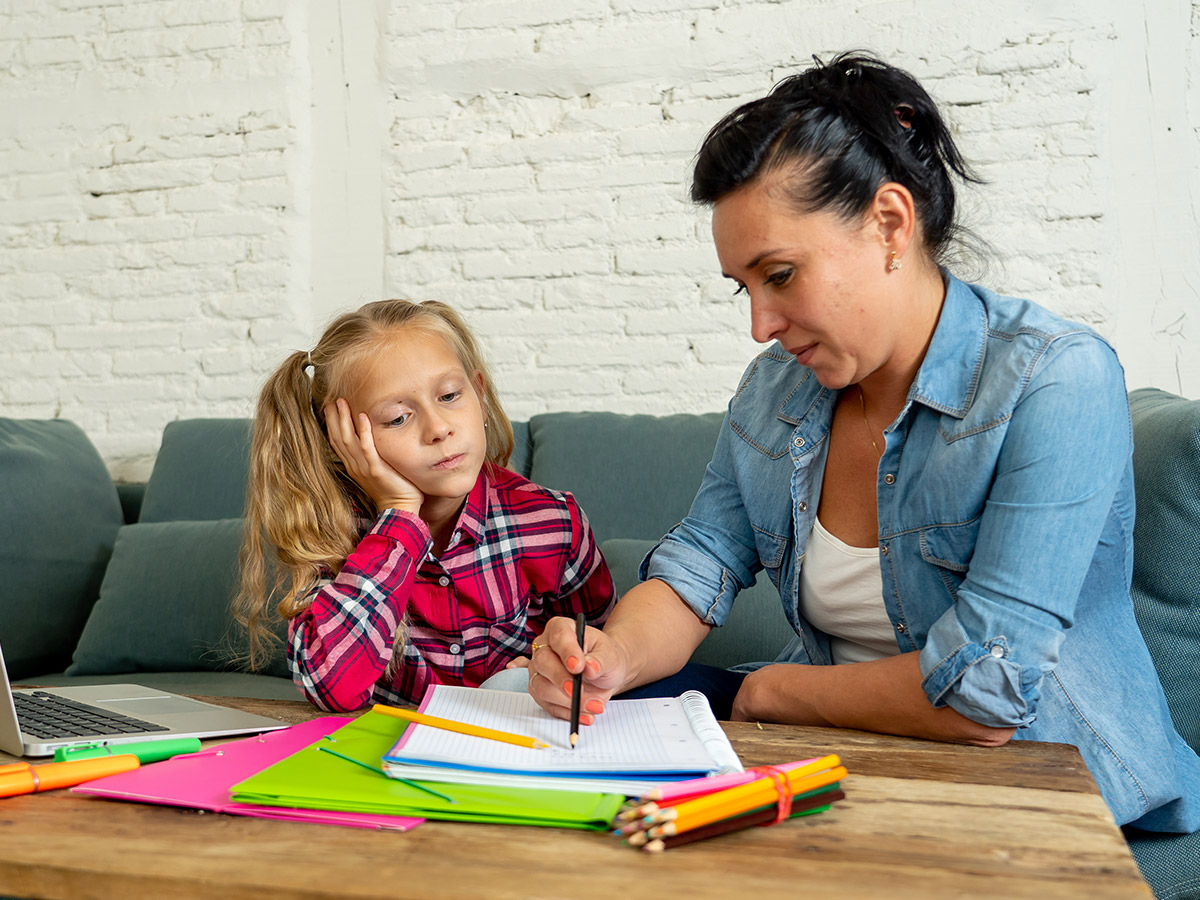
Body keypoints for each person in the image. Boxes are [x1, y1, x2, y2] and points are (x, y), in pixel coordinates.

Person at [526, 51, 1200, 832]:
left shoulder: (1054, 381)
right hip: (839, 765)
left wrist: (765, 693)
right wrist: (611, 658)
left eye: (780, 275)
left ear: (889, 224)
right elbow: (699, 563)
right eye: (744, 287)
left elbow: (985, 697)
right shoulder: (774, 391)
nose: (760, 324)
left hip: (1038, 785)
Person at [232, 299, 615, 713]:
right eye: (397, 418)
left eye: (450, 395)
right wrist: (399, 513)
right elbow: (332, 689)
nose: (438, 428)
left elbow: (604, 655)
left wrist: (555, 665)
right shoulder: (330, 534)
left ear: (479, 395)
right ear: (341, 441)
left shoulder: (552, 523)